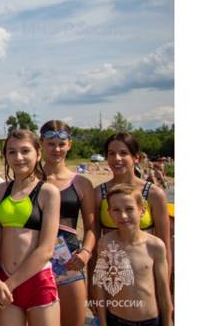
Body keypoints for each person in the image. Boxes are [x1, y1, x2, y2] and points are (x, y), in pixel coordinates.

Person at [0, 130, 61, 326]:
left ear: (38, 154)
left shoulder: (48, 192)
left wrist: (9, 285)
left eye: (25, 151)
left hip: (37, 281)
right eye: (11, 152)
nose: (18, 157)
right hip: (4, 279)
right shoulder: (0, 190)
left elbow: (46, 250)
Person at [39, 121, 97, 326]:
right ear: (41, 144)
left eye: (61, 144)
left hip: (69, 263)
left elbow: (92, 228)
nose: (56, 149)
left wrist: (86, 253)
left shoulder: (81, 183)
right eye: (51, 143)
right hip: (33, 264)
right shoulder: (30, 179)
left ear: (69, 145)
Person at [92, 133, 172, 279]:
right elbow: (94, 245)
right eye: (111, 154)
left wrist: (165, 287)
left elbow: (165, 245)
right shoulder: (98, 193)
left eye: (123, 153)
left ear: (136, 158)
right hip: (112, 273)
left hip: (146, 271)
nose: (117, 158)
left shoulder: (154, 194)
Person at [93, 185, 173, 326]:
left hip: (150, 320)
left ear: (142, 210)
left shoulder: (155, 246)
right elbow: (101, 287)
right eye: (116, 210)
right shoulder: (105, 244)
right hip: (116, 319)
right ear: (110, 213)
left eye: (129, 209)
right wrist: (103, 321)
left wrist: (168, 321)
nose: (123, 216)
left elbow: (163, 290)